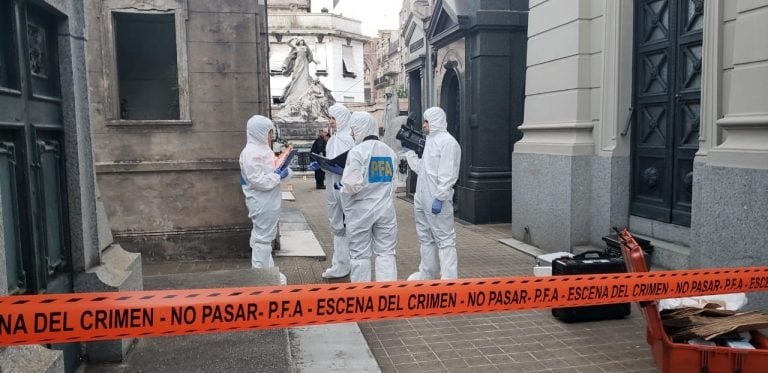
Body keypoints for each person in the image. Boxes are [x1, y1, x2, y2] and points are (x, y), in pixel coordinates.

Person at [335, 112, 398, 282]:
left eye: (353, 130)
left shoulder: (357, 152)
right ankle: (388, 296)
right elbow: (393, 181)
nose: (351, 134)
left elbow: (352, 185)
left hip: (360, 211)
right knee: (386, 253)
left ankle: (363, 299)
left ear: (361, 128)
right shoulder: (389, 152)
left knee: (360, 255)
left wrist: (342, 186)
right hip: (385, 209)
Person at [403, 107, 461, 280]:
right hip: (422, 198)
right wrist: (410, 155)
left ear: (436, 121)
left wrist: (440, 197)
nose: (424, 125)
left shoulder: (448, 143)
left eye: (427, 121)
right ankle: (428, 273)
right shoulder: (429, 141)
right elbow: (424, 169)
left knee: (445, 239)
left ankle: (449, 279)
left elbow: (448, 174)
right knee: (425, 237)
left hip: (437, 199)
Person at [239, 115, 291, 285]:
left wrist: (283, 168)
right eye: (269, 132)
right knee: (262, 240)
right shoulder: (250, 153)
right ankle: (261, 280)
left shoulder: (263, 150)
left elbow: (271, 171)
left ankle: (268, 273)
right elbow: (257, 180)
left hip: (267, 201)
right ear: (259, 132)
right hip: (261, 202)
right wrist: (277, 176)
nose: (271, 136)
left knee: (264, 239)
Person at [309, 104, 355, 279]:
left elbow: (352, 165)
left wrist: (339, 169)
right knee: (336, 226)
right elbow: (332, 160)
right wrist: (322, 165)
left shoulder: (349, 140)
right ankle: (340, 263)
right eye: (330, 118)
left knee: (347, 226)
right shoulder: (333, 140)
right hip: (332, 187)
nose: (331, 122)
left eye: (334, 118)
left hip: (344, 187)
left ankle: (347, 264)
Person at [281, 37, 320, 104]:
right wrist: (292, 38)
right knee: (296, 76)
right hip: (298, 62)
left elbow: (309, 55)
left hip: (304, 63)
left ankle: (303, 89)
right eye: (300, 40)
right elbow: (287, 43)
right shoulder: (296, 47)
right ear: (298, 41)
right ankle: (294, 89)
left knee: (305, 76)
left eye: (302, 40)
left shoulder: (305, 48)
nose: (302, 41)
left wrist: (314, 61)